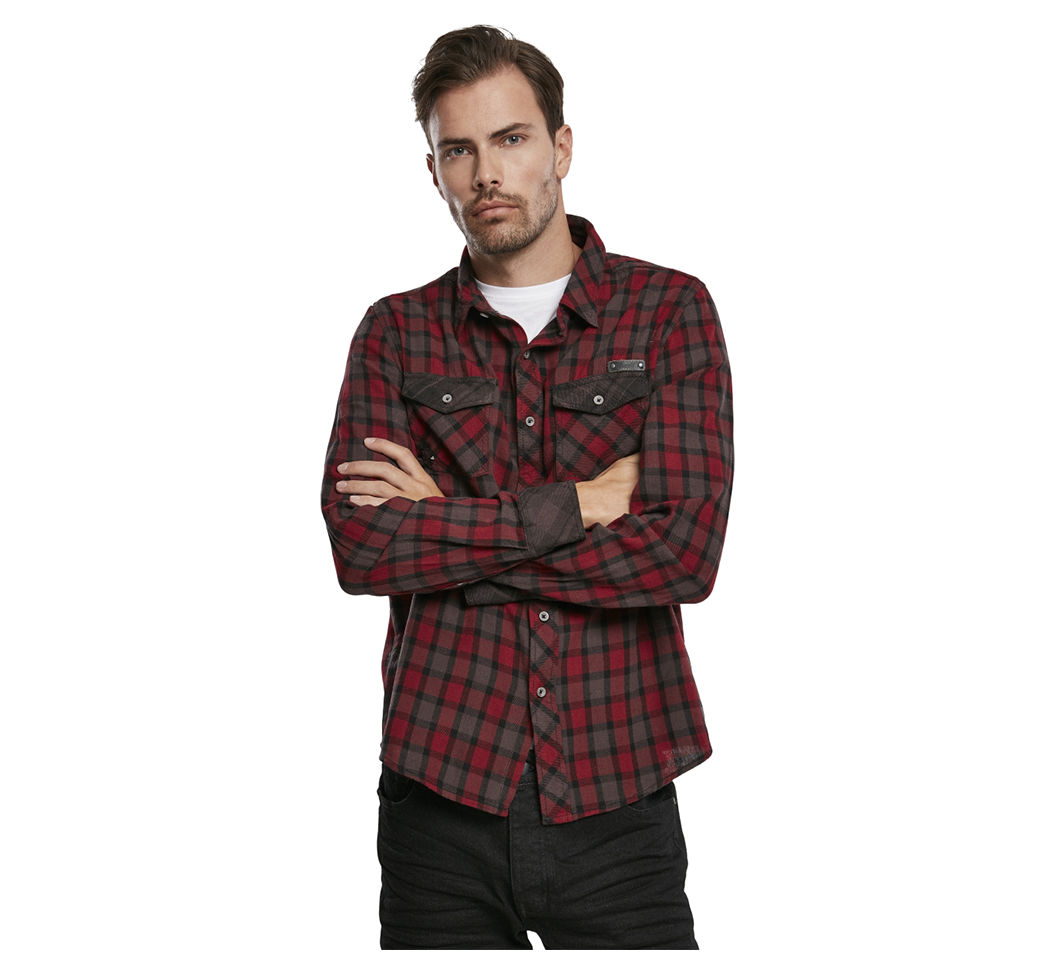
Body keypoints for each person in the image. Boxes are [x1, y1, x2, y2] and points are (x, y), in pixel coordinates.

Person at [321, 25, 733, 950]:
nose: (486, 174)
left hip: (619, 792)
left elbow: (682, 554)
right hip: (438, 797)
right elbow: (363, 548)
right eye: (457, 150)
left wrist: (444, 527)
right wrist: (582, 504)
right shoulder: (395, 333)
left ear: (561, 147)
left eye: (510, 138)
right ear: (434, 170)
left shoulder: (668, 312)